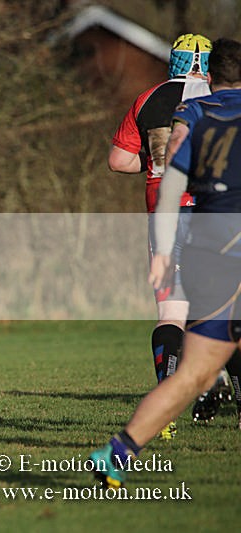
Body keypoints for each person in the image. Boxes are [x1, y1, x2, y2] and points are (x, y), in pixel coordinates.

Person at [90, 37, 241, 488]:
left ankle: (118, 452)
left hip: (194, 236)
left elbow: (169, 177)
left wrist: (162, 246)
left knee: (191, 365)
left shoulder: (190, 112)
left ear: (212, 75)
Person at [108, 33, 212, 440]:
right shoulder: (226, 98)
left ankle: (166, 404)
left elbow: (118, 161)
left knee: (171, 314)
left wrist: (154, 161)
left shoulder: (149, 98)